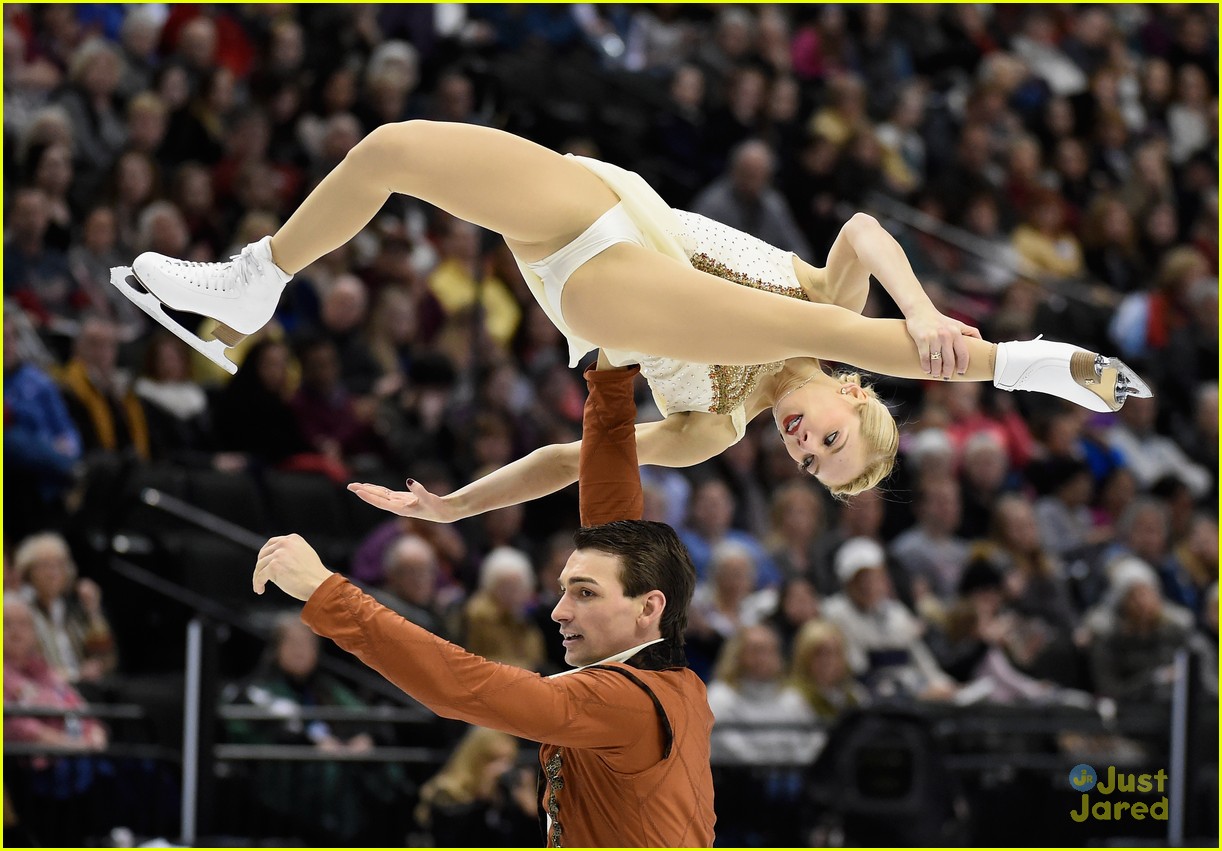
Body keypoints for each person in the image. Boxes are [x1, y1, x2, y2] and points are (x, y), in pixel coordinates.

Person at [118, 120, 1146, 500]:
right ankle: (257, 278)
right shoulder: (839, 309)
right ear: (851, 401)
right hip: (611, 203)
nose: (798, 444)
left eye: (804, 462)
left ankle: (1036, 365)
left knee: (805, 324)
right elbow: (869, 228)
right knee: (389, 152)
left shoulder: (711, 430)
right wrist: (922, 305)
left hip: (602, 290)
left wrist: (451, 504)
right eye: (828, 439)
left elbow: (572, 461)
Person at [249, 358, 717, 846]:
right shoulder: (667, 682)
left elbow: (461, 688)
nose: (558, 611)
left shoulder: (624, 703)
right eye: (564, 589)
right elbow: (612, 518)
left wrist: (327, 593)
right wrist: (611, 377)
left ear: (649, 608)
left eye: (584, 593)